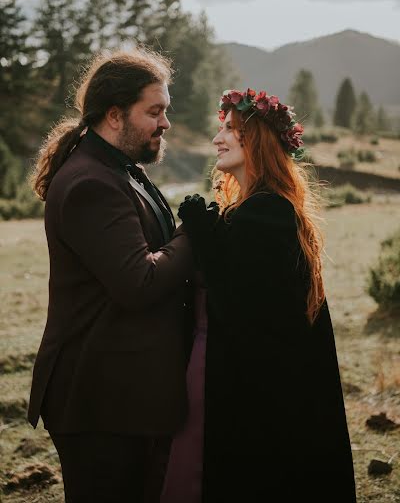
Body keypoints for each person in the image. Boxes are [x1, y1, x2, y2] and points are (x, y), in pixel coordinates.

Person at [165, 88, 357, 502]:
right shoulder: (253, 208)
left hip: (265, 401)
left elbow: (239, 304)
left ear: (258, 141)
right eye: (220, 129)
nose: (218, 139)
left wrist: (202, 231)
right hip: (261, 390)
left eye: (231, 130)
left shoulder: (266, 213)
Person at [27, 48, 194, 503]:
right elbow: (137, 282)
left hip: (125, 390)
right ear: (115, 115)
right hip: (97, 398)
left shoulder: (124, 170)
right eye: (154, 111)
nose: (165, 124)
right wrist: (196, 235)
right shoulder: (90, 183)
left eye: (166, 111)